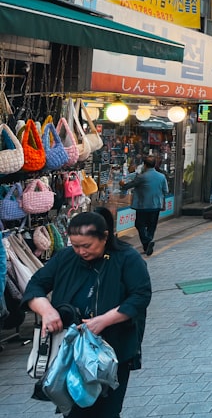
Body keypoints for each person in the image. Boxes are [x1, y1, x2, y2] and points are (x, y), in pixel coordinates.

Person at [23, 207, 152, 418]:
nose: (81, 251)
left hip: (111, 350)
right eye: (75, 245)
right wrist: (46, 310)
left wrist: (103, 321)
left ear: (104, 237)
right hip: (70, 349)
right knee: (74, 410)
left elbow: (140, 297)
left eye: (87, 246)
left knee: (106, 411)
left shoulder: (127, 258)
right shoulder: (65, 258)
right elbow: (35, 286)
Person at [120, 155, 169, 256]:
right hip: (156, 206)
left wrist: (122, 184)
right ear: (154, 165)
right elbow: (166, 191)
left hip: (143, 206)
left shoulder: (141, 177)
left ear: (145, 165)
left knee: (139, 224)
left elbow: (128, 186)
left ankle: (147, 242)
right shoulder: (161, 176)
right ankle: (148, 243)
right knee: (152, 226)